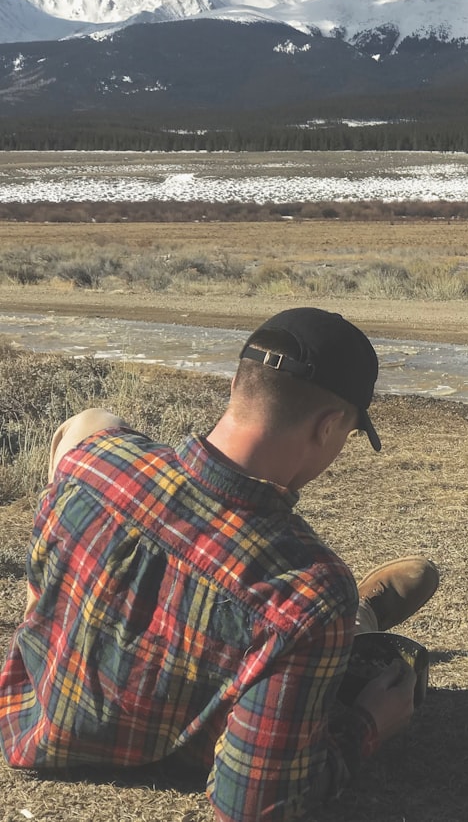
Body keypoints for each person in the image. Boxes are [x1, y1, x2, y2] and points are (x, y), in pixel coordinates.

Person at [0, 307, 439, 822]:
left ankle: (354, 628)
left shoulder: (92, 461)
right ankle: (360, 627)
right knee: (319, 631)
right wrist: (369, 724)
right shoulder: (309, 588)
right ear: (328, 426)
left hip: (26, 718)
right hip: (176, 739)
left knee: (95, 422)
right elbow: (254, 806)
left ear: (235, 384)